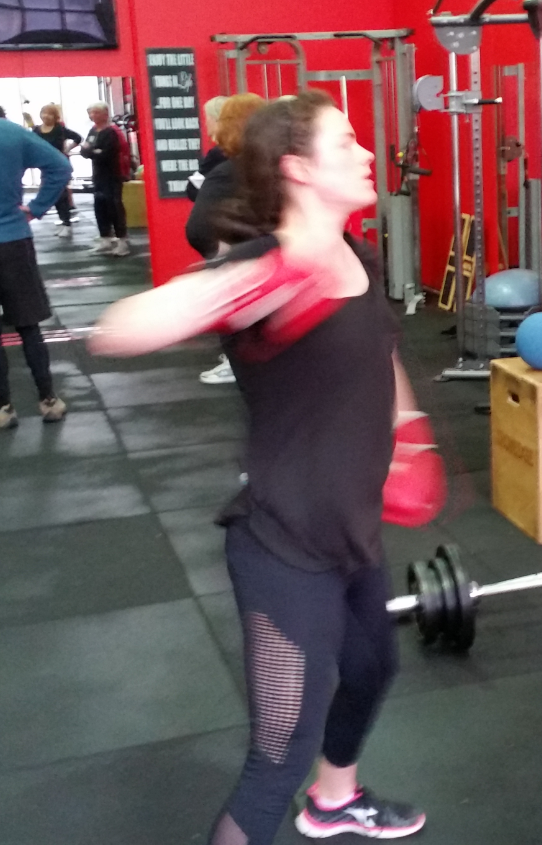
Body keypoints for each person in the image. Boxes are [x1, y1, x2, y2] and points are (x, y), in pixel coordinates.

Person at [90, 90, 443, 845]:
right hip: (283, 545)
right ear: (298, 168)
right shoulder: (265, 266)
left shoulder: (357, 255)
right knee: (277, 755)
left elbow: (378, 351)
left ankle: (334, 800)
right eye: (346, 143)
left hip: (351, 530)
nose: (367, 154)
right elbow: (122, 328)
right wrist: (265, 281)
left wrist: (410, 434)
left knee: (373, 669)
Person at [186, 93, 265, 386]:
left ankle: (239, 363)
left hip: (240, 249)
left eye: (212, 119)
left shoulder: (228, 162)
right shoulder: (243, 163)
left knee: (241, 309)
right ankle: (240, 360)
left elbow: (192, 190)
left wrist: (224, 251)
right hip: (240, 249)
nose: (209, 125)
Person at [0, 113, 73, 429]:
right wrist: (37, 206)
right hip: (13, 241)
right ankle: (48, 401)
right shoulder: (12, 133)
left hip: (13, 238)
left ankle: (3, 409)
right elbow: (61, 167)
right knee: (28, 325)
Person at [80, 101, 129, 256]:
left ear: (105, 114)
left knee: (114, 208)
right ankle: (105, 239)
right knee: (100, 207)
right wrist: (94, 151)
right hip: (98, 176)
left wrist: (92, 151)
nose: (92, 116)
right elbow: (84, 151)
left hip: (113, 175)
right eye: (90, 113)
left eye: (95, 112)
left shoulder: (111, 132)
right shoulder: (93, 131)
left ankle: (122, 242)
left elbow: (107, 153)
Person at [33, 103, 82, 238]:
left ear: (55, 116)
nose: (45, 116)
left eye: (49, 113)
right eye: (44, 113)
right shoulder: (37, 130)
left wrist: (67, 149)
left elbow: (78, 137)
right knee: (53, 195)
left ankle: (67, 223)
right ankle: (63, 221)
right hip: (45, 166)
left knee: (62, 195)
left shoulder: (59, 129)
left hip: (59, 166)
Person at [186, 95, 229, 202]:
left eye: (207, 118)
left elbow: (193, 189)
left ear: (216, 120)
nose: (205, 123)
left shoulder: (218, 153)